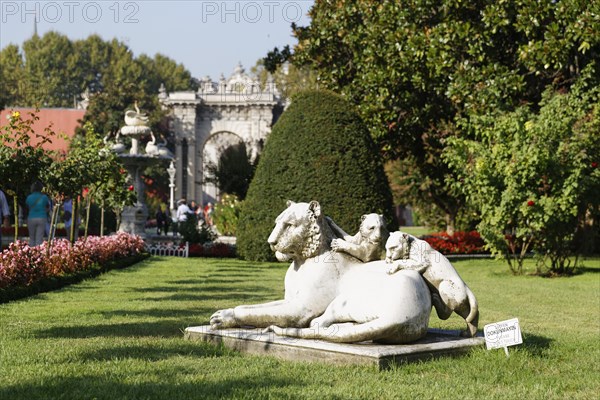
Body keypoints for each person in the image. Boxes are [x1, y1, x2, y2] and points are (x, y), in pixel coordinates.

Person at [25, 181, 51, 247]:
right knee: (39, 238)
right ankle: (38, 252)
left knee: (32, 238)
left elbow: (27, 208)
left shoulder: (29, 197)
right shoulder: (44, 197)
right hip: (42, 217)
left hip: (31, 218)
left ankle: (32, 252)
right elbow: (48, 207)